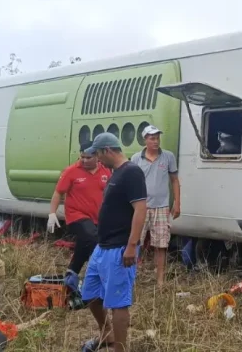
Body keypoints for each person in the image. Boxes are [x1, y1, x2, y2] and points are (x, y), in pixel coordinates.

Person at [79, 133, 147, 352]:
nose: (98, 160)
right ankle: (106, 334)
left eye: (98, 154)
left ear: (107, 150)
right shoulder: (116, 173)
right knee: (89, 293)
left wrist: (131, 245)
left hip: (120, 247)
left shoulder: (132, 172)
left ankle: (120, 348)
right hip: (103, 246)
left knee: (118, 302)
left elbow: (140, 209)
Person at [48, 142, 112, 292]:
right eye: (82, 157)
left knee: (84, 243)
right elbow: (58, 192)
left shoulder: (106, 171)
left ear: (97, 156)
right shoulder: (72, 171)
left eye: (88, 157)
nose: (83, 160)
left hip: (99, 218)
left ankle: (71, 274)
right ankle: (98, 276)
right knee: (93, 238)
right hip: (77, 216)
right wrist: (52, 213)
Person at [130, 125, 180, 287]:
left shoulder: (168, 157)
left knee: (161, 244)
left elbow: (174, 180)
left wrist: (177, 202)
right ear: (145, 140)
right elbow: (130, 183)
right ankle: (131, 277)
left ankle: (160, 281)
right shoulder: (136, 159)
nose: (156, 141)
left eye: (157, 138)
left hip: (162, 207)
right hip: (141, 206)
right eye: (152, 138)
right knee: (135, 242)